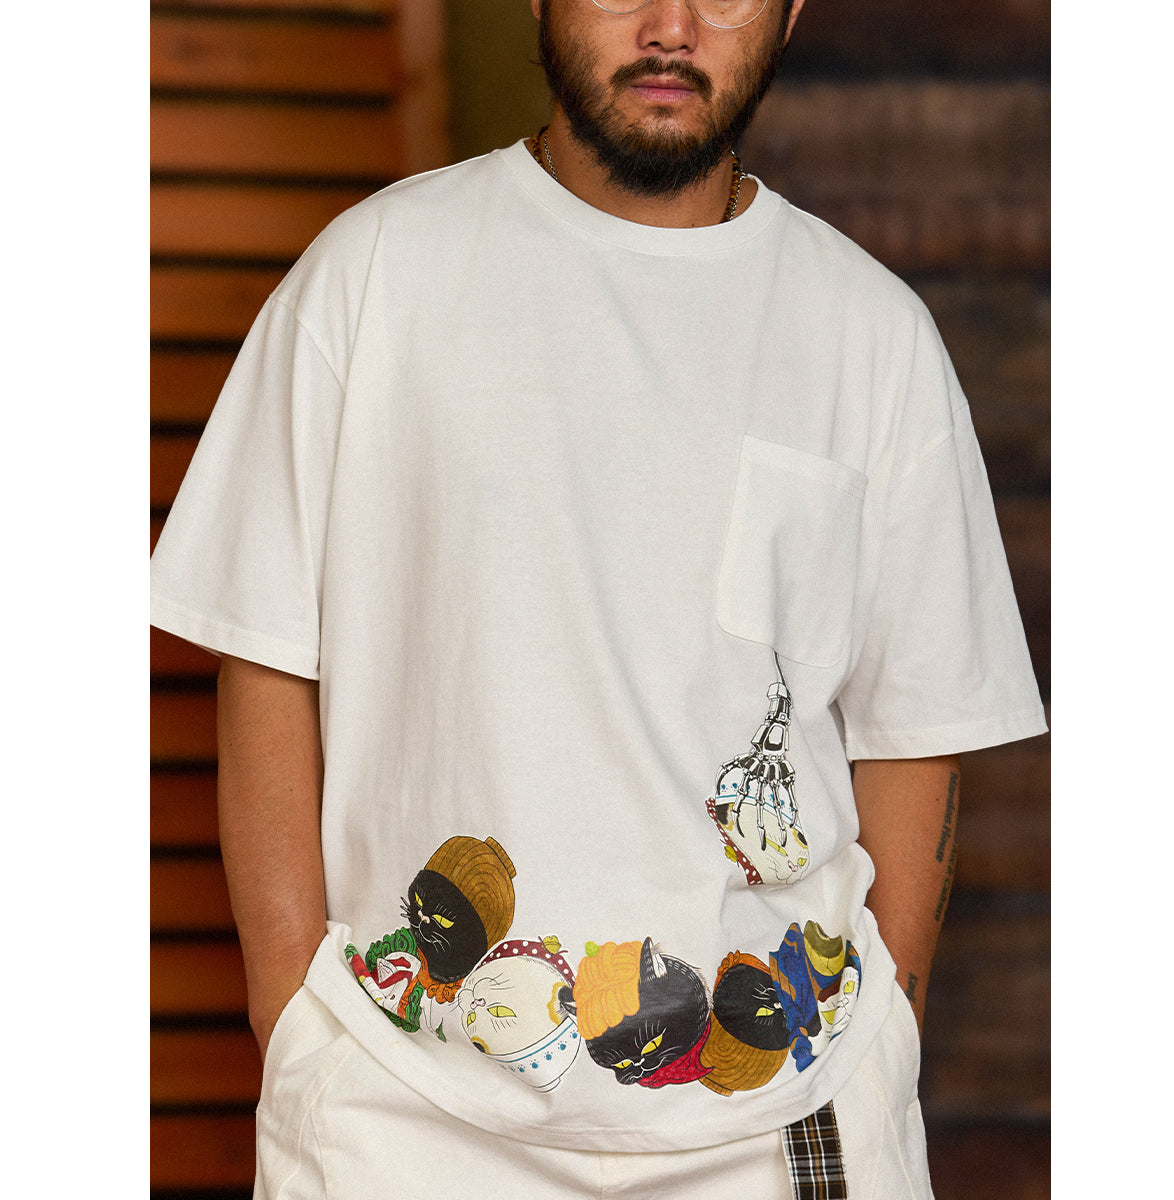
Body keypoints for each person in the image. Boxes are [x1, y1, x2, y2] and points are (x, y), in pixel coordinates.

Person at [149, 1, 1047, 1196]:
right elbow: (266, 659)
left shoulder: (871, 334)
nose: (671, 25)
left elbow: (913, 730)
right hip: (402, 1117)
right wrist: (297, 1028)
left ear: (789, 12)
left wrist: (886, 1041)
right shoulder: (373, 275)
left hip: (779, 1115)